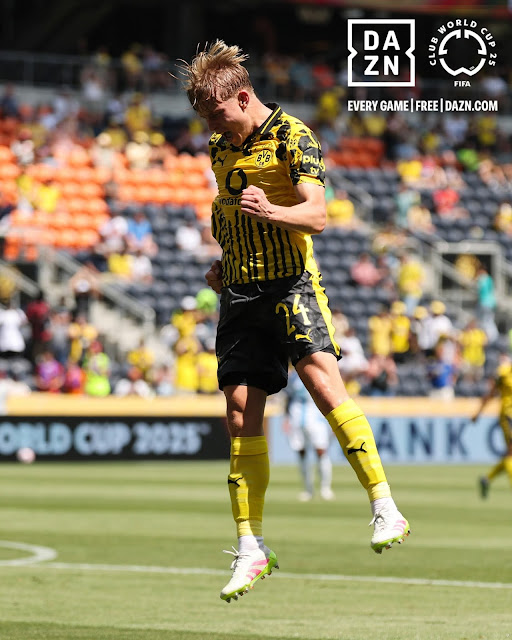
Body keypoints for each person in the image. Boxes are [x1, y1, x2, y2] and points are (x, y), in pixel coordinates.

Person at [180, 40, 410, 604]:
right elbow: (232, 212)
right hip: (240, 292)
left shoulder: (293, 136)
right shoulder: (220, 147)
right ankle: (251, 546)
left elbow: (318, 215)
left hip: (290, 285)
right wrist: (225, 260)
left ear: (242, 97)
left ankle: (385, 506)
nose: (212, 125)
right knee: (239, 414)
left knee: (325, 388)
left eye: (217, 113)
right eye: (206, 117)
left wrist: (272, 211)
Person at [283, 369, 334, 502]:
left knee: (321, 450)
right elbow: (288, 397)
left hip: (316, 416)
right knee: (301, 452)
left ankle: (325, 488)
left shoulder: (318, 371)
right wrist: (286, 418)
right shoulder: (292, 377)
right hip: (296, 416)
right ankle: (308, 489)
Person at [472, 353, 512, 498]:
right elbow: (491, 393)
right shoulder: (503, 372)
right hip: (508, 415)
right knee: (511, 451)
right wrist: (478, 412)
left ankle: (487, 479)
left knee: (510, 453)